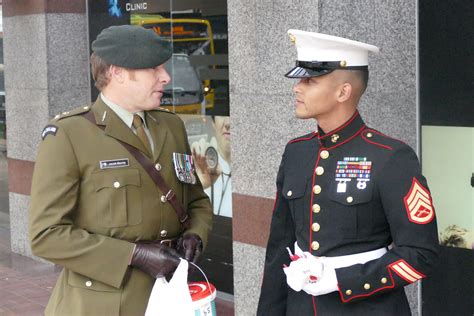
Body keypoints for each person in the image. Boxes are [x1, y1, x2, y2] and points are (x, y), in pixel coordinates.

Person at [29, 25, 213, 315]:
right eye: (154, 69)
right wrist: (134, 255)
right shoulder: (68, 135)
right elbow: (46, 236)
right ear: (117, 73)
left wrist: (196, 234)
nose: (165, 77)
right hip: (103, 303)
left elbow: (197, 201)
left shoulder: (171, 126)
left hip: (170, 297)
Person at [257, 30, 439, 315]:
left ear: (343, 91)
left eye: (310, 80)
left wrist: (341, 280)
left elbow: (420, 255)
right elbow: (279, 247)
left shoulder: (390, 157)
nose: (297, 88)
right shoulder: (297, 152)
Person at [191, 112, 232, 217]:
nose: (228, 123)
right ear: (213, 123)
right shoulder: (202, 165)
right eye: (223, 115)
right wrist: (197, 185)